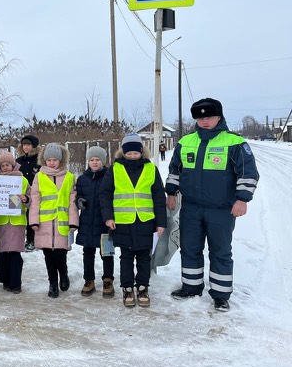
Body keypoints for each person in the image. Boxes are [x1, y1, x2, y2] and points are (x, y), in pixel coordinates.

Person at [166, 98, 259, 312]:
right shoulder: (185, 142)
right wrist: (171, 193)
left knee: (220, 251)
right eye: (200, 117)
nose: (205, 121)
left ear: (219, 117)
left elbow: (248, 173)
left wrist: (242, 199)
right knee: (189, 249)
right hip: (191, 208)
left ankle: (220, 295)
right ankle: (190, 287)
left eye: (209, 117)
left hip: (221, 209)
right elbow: (174, 171)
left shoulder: (234, 143)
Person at [100, 134, 167, 308]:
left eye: (135, 153)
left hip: (146, 221)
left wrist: (161, 222)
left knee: (145, 256)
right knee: (126, 257)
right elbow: (105, 194)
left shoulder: (151, 168)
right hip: (123, 221)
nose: (132, 156)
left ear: (141, 152)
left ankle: (143, 287)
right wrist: (108, 217)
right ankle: (127, 288)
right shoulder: (114, 169)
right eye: (128, 153)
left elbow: (159, 196)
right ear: (123, 152)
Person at [29, 143, 79, 299]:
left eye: (55, 160)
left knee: (60, 255)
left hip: (62, 223)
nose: (52, 162)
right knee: (48, 257)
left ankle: (63, 275)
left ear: (61, 160)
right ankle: (52, 283)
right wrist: (34, 221)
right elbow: (35, 200)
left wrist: (73, 221)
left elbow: (72, 201)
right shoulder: (39, 176)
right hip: (44, 223)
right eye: (49, 159)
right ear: (44, 160)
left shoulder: (69, 177)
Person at [75, 145, 115, 299]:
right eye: (92, 160)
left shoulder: (109, 177)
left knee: (107, 252)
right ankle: (89, 280)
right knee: (88, 252)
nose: (94, 162)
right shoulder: (82, 178)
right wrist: (79, 201)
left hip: (104, 222)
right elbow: (77, 195)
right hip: (87, 223)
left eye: (97, 159)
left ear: (103, 161)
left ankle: (107, 280)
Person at [0, 151, 29, 294]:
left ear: (13, 165)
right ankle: (5, 281)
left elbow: (30, 198)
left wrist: (25, 199)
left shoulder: (22, 180)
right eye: (2, 165)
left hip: (16, 221)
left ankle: (16, 283)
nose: (5, 167)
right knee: (4, 252)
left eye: (8, 164)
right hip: (1, 221)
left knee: (14, 252)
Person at [16, 135, 41, 252]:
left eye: (28, 145)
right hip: (23, 194)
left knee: (35, 216)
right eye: (24, 145)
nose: (26, 147)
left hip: (37, 192)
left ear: (34, 146)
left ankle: (36, 239)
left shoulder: (39, 160)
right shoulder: (18, 161)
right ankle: (28, 239)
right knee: (25, 217)